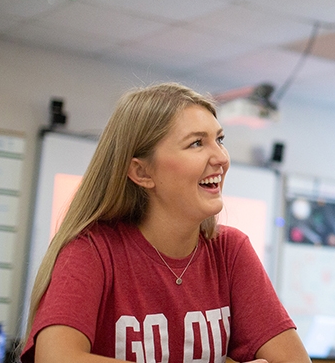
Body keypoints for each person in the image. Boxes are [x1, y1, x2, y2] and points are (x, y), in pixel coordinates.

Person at [22, 83, 310, 363]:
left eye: (219, 140)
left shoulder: (230, 251)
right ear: (141, 172)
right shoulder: (92, 250)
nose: (222, 158)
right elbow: (55, 358)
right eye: (196, 143)